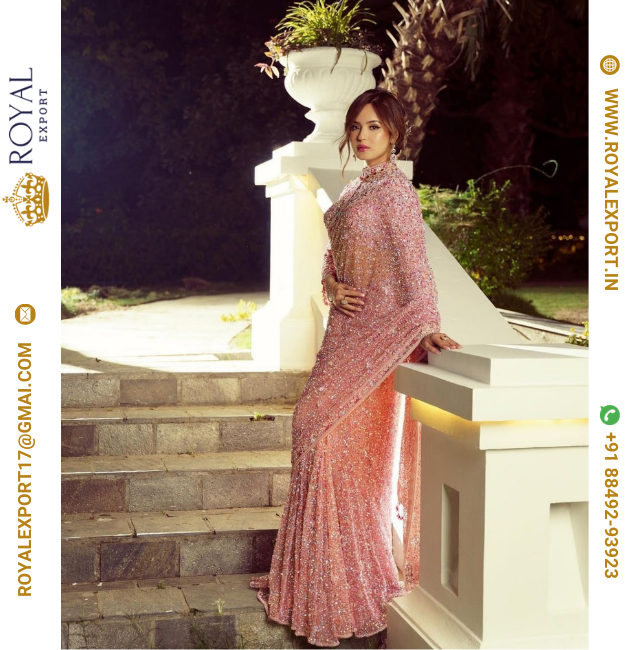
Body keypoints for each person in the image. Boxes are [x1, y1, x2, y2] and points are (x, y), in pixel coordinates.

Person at [249, 88, 462, 648]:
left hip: (379, 343)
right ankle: (316, 577)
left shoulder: (396, 193)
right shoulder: (356, 188)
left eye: (374, 127)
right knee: (311, 432)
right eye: (356, 127)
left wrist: (427, 325)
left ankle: (347, 579)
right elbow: (332, 254)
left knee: (336, 448)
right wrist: (331, 285)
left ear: (394, 133)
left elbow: (415, 267)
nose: (362, 136)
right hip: (342, 339)